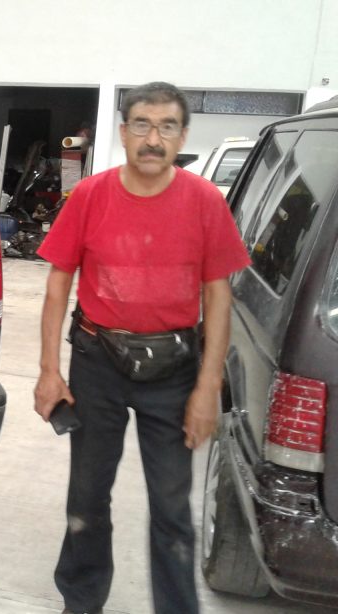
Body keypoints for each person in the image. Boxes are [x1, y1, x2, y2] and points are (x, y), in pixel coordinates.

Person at [33, 82, 251, 614]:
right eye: (142, 125)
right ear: (124, 132)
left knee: (172, 506)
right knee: (87, 496)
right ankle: (81, 601)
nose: (154, 139)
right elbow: (59, 283)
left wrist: (207, 387)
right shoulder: (90, 196)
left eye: (167, 127)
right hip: (97, 362)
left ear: (183, 136)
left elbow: (218, 296)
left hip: (174, 370)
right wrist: (48, 371)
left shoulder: (205, 202)